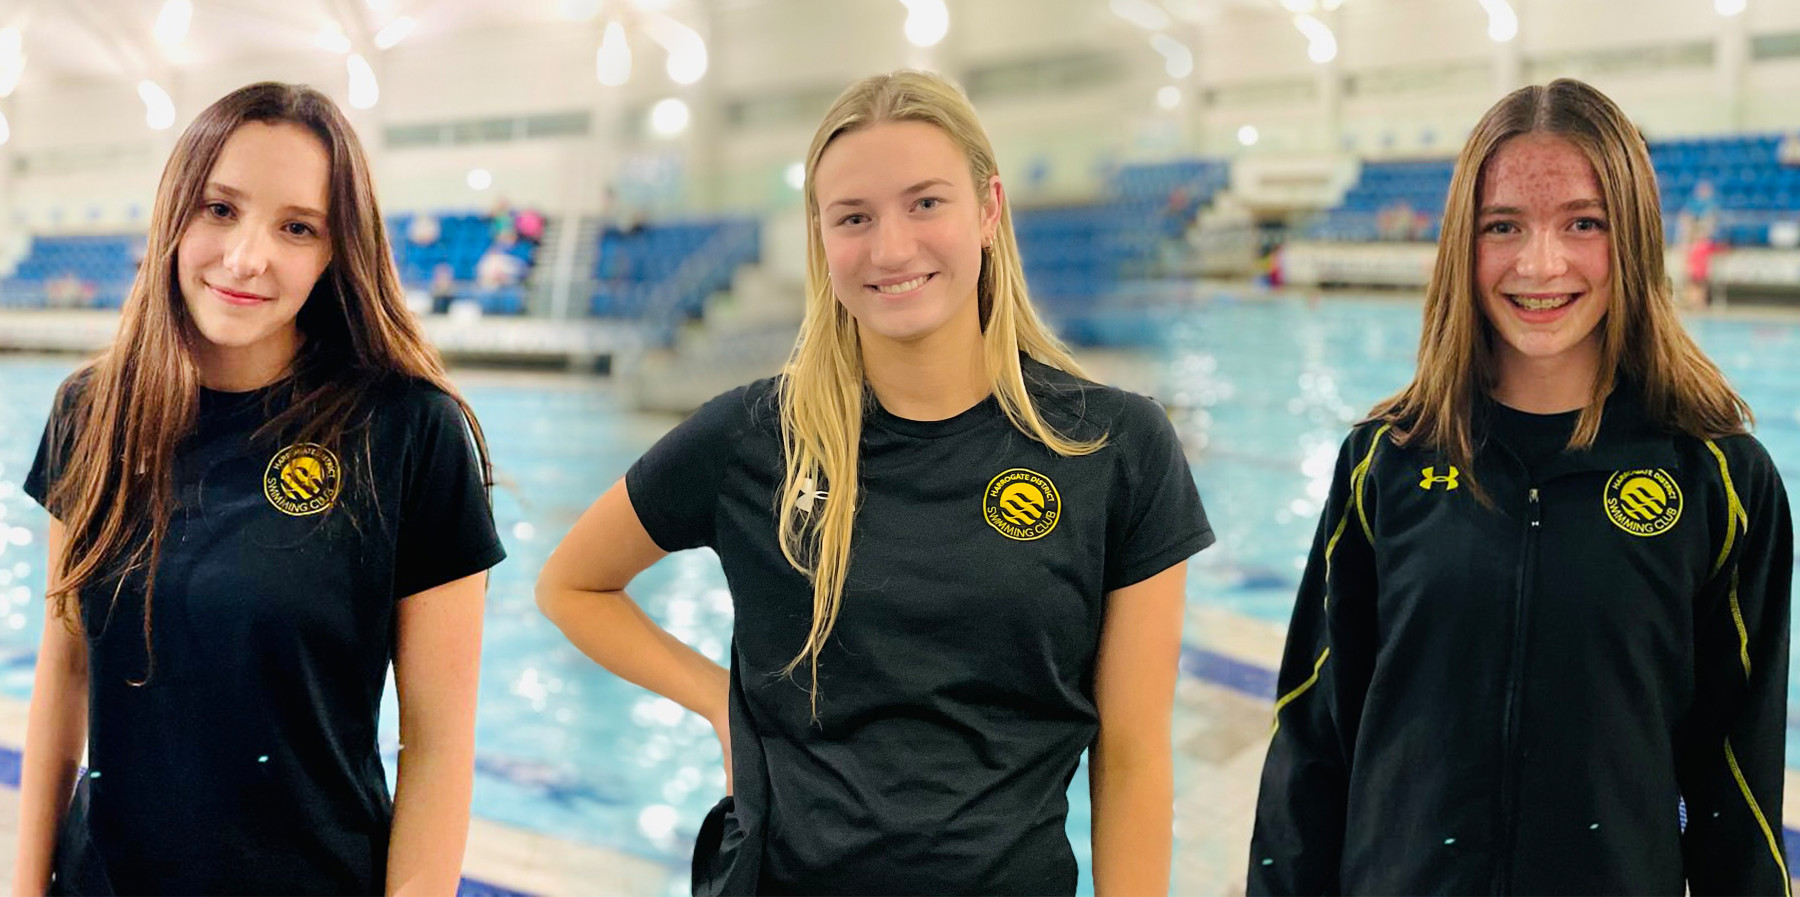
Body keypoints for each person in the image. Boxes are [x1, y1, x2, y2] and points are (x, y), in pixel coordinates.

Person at [537, 70, 1212, 896]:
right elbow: (572, 583)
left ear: (989, 209)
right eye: (853, 218)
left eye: (926, 203)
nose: (890, 248)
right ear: (821, 237)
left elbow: (1135, 756)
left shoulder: (1112, 447)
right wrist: (719, 701)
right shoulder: (754, 437)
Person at [1248, 78, 1792, 895]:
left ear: (1634, 239)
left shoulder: (1719, 480)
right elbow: (1313, 748)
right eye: (1504, 226)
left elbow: (1737, 789)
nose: (1541, 264)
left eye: (1584, 222)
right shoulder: (1383, 463)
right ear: (1464, 243)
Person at [13, 82, 505, 896]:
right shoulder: (92, 411)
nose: (248, 257)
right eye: (219, 209)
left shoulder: (410, 431)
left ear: (336, 250)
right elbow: (64, 675)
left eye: (296, 227)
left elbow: (440, 745)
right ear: (174, 213)